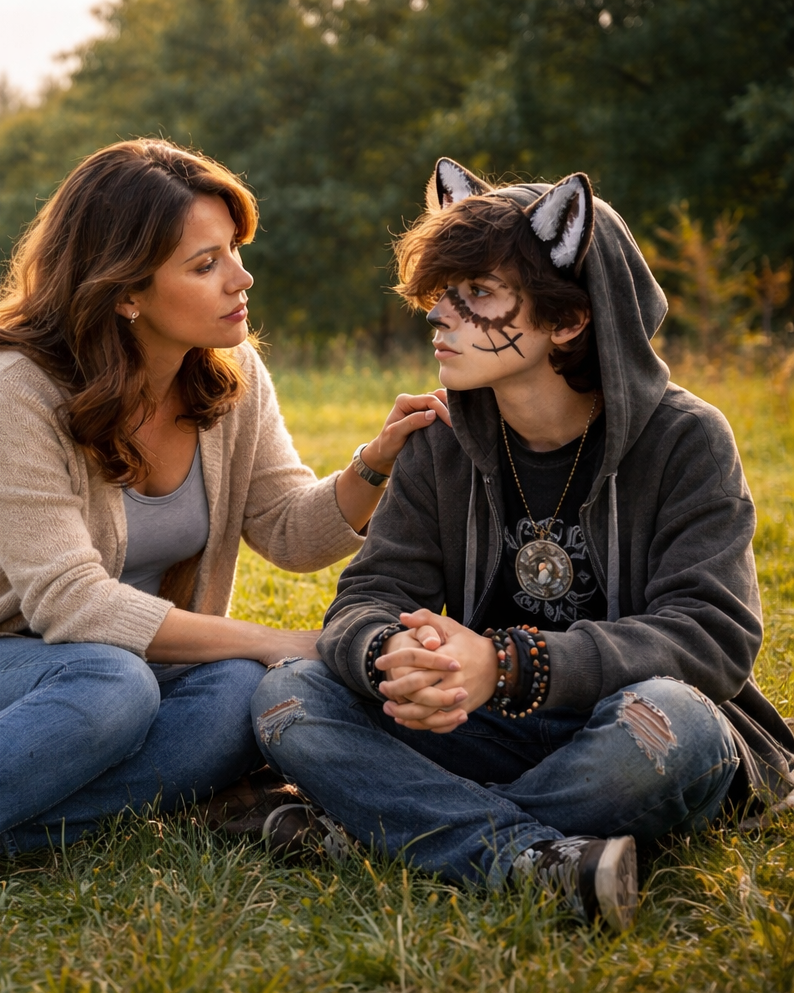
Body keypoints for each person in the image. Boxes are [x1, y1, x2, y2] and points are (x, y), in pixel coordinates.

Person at [0, 139, 449, 920]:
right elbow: (72, 607)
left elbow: (288, 531)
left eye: (234, 252)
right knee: (119, 682)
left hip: (129, 670)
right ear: (127, 292)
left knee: (248, 692)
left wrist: (372, 465)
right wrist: (281, 640)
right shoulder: (15, 388)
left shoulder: (232, 376)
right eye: (204, 264)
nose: (241, 279)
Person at [249, 159, 792, 932]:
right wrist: (388, 657)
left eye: (478, 296)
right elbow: (366, 601)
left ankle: (386, 832)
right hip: (478, 730)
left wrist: (508, 664)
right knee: (288, 696)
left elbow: (711, 635)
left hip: (622, 724)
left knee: (671, 720)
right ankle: (533, 862)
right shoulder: (440, 442)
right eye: (443, 294)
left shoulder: (686, 438)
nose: (442, 316)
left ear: (568, 320)